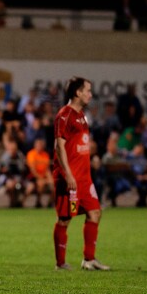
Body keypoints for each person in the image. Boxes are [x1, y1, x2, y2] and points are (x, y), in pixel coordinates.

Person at [52, 77, 110, 271]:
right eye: (88, 90)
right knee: (66, 218)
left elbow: (78, 143)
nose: (90, 94)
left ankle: (89, 259)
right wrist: (68, 175)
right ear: (77, 92)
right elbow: (58, 146)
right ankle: (60, 263)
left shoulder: (82, 115)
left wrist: (91, 155)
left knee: (95, 212)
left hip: (84, 179)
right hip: (71, 180)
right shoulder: (64, 115)